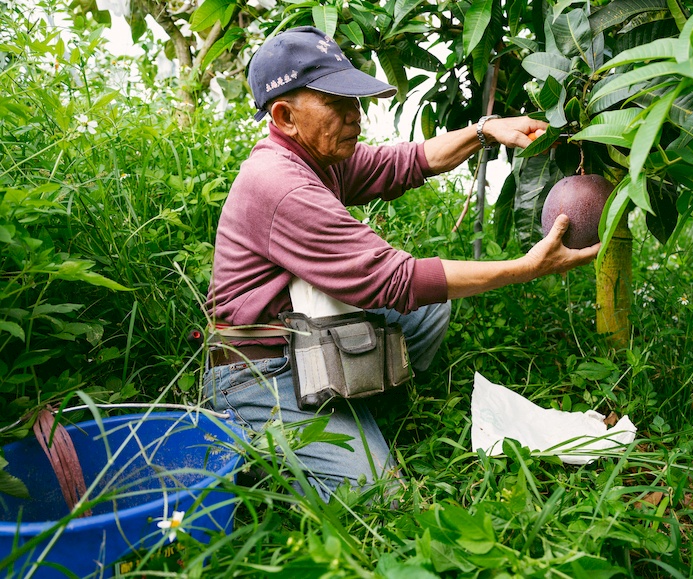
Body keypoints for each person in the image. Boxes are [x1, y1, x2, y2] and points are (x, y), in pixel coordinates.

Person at [203, 26, 599, 500]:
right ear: (286, 116)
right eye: (338, 105)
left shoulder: (316, 157)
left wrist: (483, 131)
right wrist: (526, 268)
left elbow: (403, 161)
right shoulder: (281, 184)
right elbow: (394, 280)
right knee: (377, 495)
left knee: (429, 310)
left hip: (308, 337)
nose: (357, 116)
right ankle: (252, 434)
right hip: (258, 372)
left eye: (355, 100)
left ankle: (363, 404)